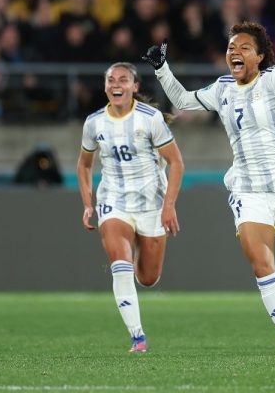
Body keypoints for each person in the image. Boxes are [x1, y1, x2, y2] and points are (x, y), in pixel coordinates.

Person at [142, 21, 275, 366]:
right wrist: (162, 68)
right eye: (232, 47)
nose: (235, 52)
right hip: (247, 190)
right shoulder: (222, 89)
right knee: (262, 265)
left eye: (245, 47)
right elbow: (183, 100)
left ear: (260, 56)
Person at [76, 62, 184, 353]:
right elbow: (84, 165)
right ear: (105, 87)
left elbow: (176, 162)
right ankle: (138, 337)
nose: (116, 84)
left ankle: (136, 244)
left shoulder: (150, 119)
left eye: (123, 80)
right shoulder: (94, 122)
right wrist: (88, 204)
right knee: (120, 266)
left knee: (148, 278)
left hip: (151, 205)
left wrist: (169, 206)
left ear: (135, 87)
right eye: (110, 80)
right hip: (114, 201)